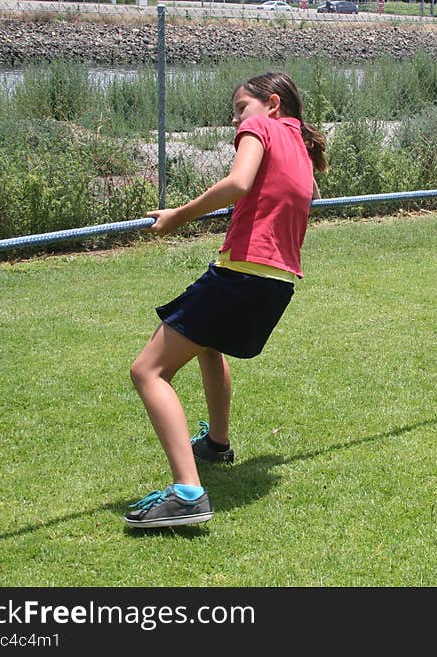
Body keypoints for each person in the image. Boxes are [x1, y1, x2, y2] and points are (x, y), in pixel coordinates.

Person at [125, 72, 328, 528]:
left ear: (272, 104)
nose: (236, 119)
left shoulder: (262, 128)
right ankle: (216, 443)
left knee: (147, 370)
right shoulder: (301, 146)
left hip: (242, 273)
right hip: (277, 283)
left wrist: (177, 216)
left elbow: (238, 183)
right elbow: (283, 194)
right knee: (207, 342)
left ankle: (187, 494)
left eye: (240, 108)